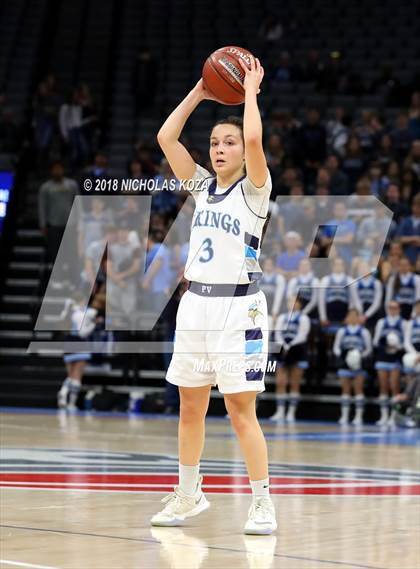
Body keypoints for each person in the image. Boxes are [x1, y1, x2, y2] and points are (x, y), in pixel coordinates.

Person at [151, 57, 277, 534]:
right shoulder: (203, 187)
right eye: (214, 143)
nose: (222, 148)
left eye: (228, 143)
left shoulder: (255, 191)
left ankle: (262, 502)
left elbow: (253, 138)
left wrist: (248, 93)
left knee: (241, 409)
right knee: (190, 406)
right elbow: (166, 138)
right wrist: (201, 92)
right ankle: (188, 493)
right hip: (196, 305)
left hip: (240, 309)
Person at [271, 297, 310, 422]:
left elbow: (302, 335)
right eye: (289, 301)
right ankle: (280, 411)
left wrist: (291, 345)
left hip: (297, 349)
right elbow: (277, 333)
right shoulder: (282, 318)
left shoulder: (304, 318)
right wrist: (283, 344)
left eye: (295, 301)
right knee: (280, 382)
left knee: (294, 382)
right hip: (283, 349)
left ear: (300, 304)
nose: (291, 304)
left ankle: (291, 413)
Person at [57, 292, 98, 410]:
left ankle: (63, 393)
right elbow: (83, 333)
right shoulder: (81, 313)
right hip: (80, 343)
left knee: (70, 375)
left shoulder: (66, 312)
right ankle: (70, 403)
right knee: (77, 376)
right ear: (82, 300)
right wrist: (93, 325)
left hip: (68, 343)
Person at [333, 309, 372, 425]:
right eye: (350, 315)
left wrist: (358, 356)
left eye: (355, 316)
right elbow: (336, 347)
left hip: (359, 363)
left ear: (359, 318)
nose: (353, 318)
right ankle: (344, 416)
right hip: (345, 362)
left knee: (358, 388)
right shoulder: (342, 331)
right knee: (345, 390)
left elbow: (369, 348)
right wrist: (344, 356)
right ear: (347, 318)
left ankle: (358, 416)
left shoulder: (364, 332)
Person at [373, 301, 407, 426]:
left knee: (394, 387)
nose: (393, 310)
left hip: (395, 358)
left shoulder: (403, 323)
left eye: (395, 307)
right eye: (390, 307)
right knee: (383, 387)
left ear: (399, 309)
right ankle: (384, 416)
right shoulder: (381, 322)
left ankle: (394, 416)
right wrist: (386, 344)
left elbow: (406, 341)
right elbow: (376, 341)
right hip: (383, 357)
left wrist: (397, 346)